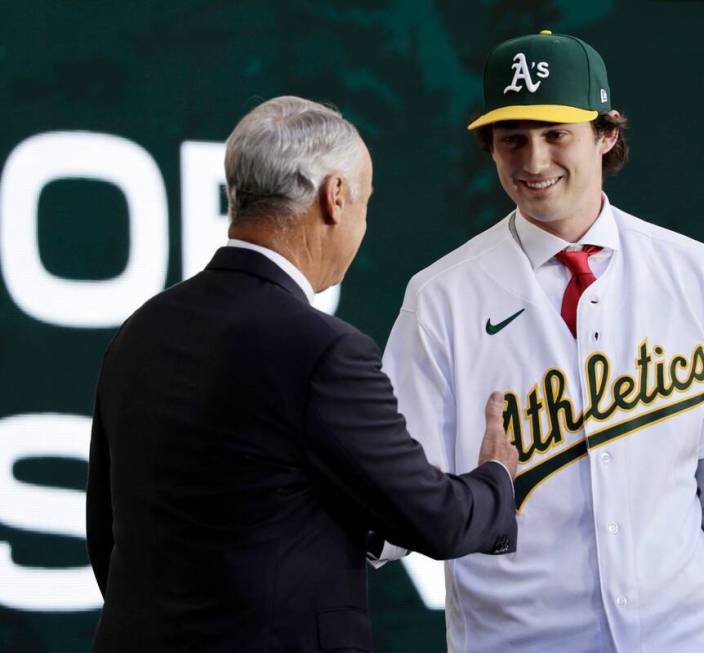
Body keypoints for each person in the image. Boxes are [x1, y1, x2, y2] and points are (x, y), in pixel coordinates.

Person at [382, 32, 704, 652]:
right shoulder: (441, 297)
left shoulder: (699, 273)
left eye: (557, 134)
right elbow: (391, 505)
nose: (534, 161)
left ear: (607, 135)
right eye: (512, 139)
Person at [85, 96, 518, 653]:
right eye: (365, 201)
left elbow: (108, 531)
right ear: (334, 197)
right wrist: (496, 478)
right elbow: (436, 521)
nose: (362, 224)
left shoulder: (141, 330)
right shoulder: (324, 351)